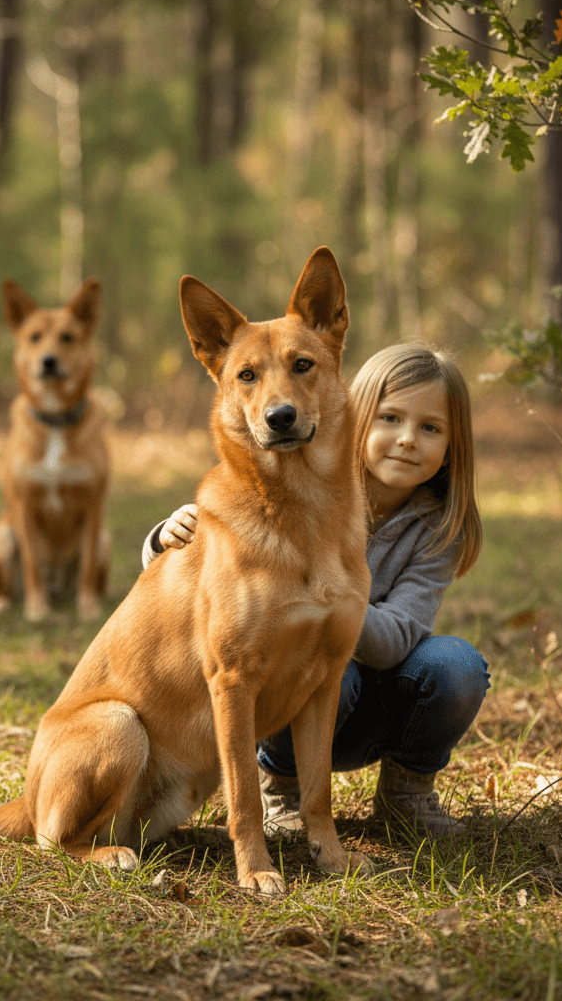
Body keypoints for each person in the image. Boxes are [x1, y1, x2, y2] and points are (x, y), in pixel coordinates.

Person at [141, 343, 488, 839]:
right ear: (351, 416)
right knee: (317, 665)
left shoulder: (439, 530)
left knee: (456, 665)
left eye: (430, 428)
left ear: (453, 446)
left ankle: (406, 794)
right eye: (390, 418)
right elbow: (214, 582)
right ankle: (280, 788)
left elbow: (395, 640)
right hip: (287, 713)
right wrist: (164, 540)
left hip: (370, 709)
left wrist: (324, 600)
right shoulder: (304, 486)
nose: (407, 439)